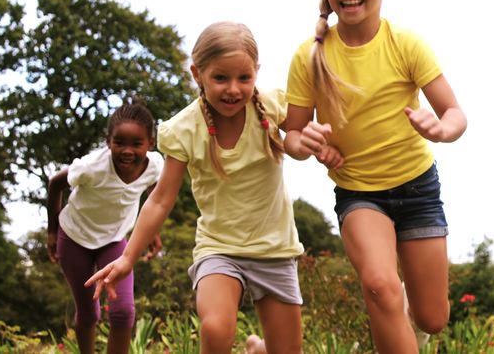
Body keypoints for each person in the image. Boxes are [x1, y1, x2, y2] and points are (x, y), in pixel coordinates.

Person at [284, 0, 467, 353]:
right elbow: (291, 136)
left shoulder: (406, 45)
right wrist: (306, 142)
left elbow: (455, 114)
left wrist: (441, 129)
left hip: (418, 188)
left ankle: (402, 321)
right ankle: (389, 309)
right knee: (381, 286)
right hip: (360, 193)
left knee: (432, 319)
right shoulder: (309, 57)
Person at [87, 22, 304, 354]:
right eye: (221, 78)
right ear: (197, 74)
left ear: (256, 72)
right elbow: (161, 199)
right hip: (218, 249)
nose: (233, 89)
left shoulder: (272, 105)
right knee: (216, 329)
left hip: (274, 249)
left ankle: (257, 349)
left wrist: (318, 144)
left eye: (244, 78)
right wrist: (128, 257)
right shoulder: (184, 129)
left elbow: (301, 136)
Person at [47, 101, 164, 354]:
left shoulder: (155, 165)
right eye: (119, 142)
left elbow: (154, 192)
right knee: (89, 313)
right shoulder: (91, 167)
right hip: (74, 238)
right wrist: (52, 232)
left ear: (150, 143)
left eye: (137, 144)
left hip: (114, 241)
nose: (127, 151)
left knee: (123, 312)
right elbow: (56, 184)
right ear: (108, 140)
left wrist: (153, 231)